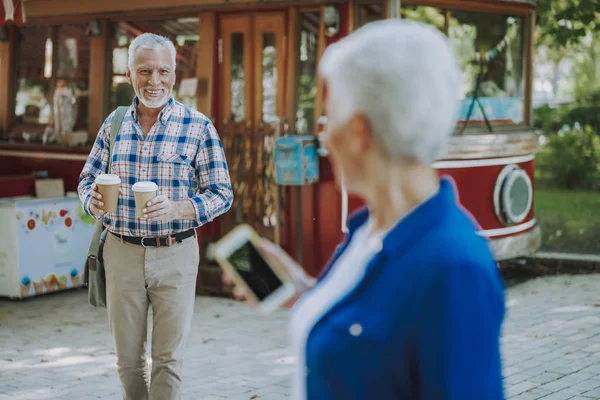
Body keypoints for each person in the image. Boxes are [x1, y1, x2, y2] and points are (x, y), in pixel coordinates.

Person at [225, 19, 505, 399]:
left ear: (358, 132)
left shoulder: (453, 268)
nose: (324, 136)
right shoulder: (370, 228)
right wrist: (303, 289)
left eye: (328, 118)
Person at [78, 33, 233, 400]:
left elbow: (222, 193)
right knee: (128, 361)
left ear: (174, 75)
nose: (154, 81)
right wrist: (92, 201)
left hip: (176, 254)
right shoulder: (114, 124)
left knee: (169, 360)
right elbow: (88, 178)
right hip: (121, 252)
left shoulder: (197, 126)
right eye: (145, 71)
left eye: (163, 71)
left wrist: (181, 208)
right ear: (129, 74)